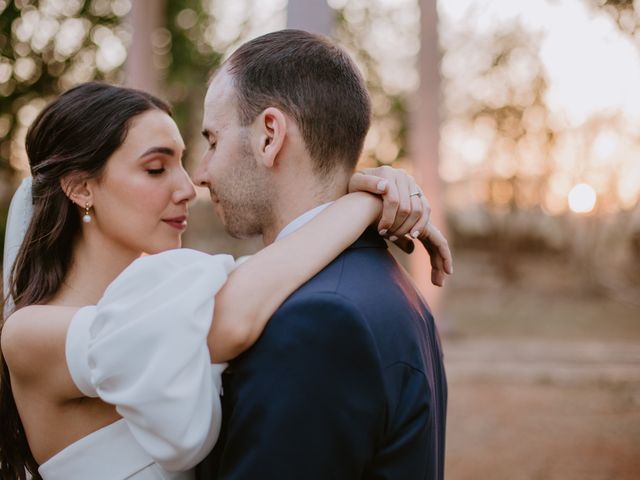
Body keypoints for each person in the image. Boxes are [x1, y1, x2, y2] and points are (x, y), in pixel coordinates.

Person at [0, 82, 449, 479]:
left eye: (182, 163)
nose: (186, 187)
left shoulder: (175, 297)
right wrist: (364, 202)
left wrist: (355, 186)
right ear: (80, 188)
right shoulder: (30, 334)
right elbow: (232, 318)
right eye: (156, 169)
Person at [185, 30, 449, 480]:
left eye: (213, 141)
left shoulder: (317, 321)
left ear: (270, 135)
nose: (200, 174)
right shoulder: (385, 286)